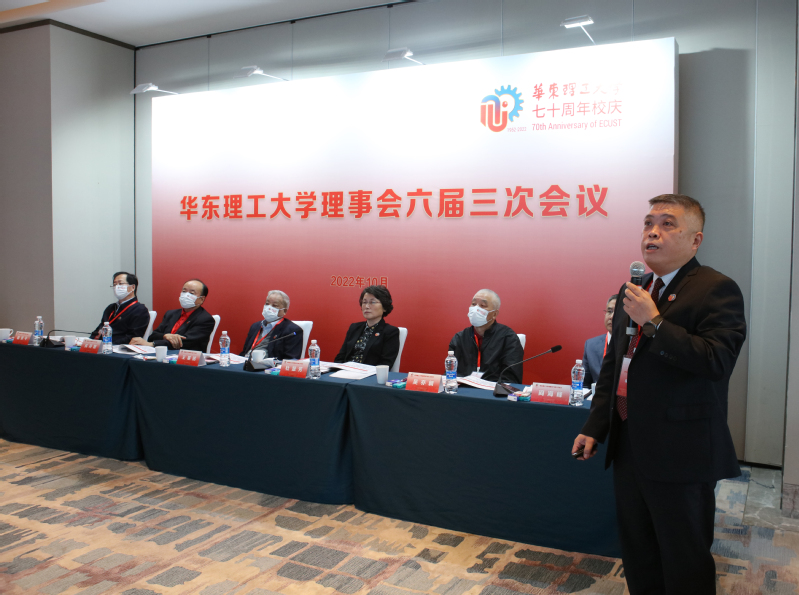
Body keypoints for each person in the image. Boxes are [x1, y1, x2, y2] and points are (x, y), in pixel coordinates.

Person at [572, 194, 746, 595]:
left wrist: (654, 323)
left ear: (695, 240)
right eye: (648, 223)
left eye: (668, 224)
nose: (653, 232)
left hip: (680, 449)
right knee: (639, 549)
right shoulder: (635, 289)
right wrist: (596, 426)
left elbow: (716, 361)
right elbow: (615, 367)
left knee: (683, 555)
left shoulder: (716, 288)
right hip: (630, 441)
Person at [448, 289, 524, 383]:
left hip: (492, 390)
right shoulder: (459, 338)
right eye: (473, 304)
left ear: (494, 314)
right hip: (463, 389)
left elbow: (511, 380)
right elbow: (450, 373)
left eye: (483, 305)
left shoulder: (508, 338)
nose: (476, 309)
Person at [131, 279, 215, 352]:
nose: (186, 295)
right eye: (184, 291)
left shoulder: (205, 319)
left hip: (186, 358)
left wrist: (152, 344)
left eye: (191, 293)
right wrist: (165, 336)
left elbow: (184, 342)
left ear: (201, 299)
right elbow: (153, 336)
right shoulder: (171, 314)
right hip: (162, 354)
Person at [334, 285, 400, 367]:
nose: (367, 306)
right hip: (345, 371)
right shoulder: (354, 327)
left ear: (384, 307)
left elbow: (385, 364)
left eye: (372, 302)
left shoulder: (390, 332)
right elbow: (340, 357)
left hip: (369, 374)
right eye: (364, 302)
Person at [90, 271, 151, 345]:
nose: (116, 287)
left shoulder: (140, 310)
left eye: (120, 283)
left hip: (118, 348)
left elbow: (132, 338)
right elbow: (98, 331)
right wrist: (89, 342)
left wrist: (108, 345)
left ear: (132, 287)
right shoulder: (111, 308)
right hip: (101, 346)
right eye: (114, 284)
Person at [240, 290, 303, 360]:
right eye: (267, 304)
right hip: (247, 363)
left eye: (274, 305)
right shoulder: (255, 326)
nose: (269, 308)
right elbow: (244, 352)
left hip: (269, 366)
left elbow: (290, 360)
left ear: (284, 311)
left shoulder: (292, 330)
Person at [581, 294, 617, 388]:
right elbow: (584, 384)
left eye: (617, 312)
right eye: (609, 311)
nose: (611, 317)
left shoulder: (634, 346)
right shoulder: (591, 346)